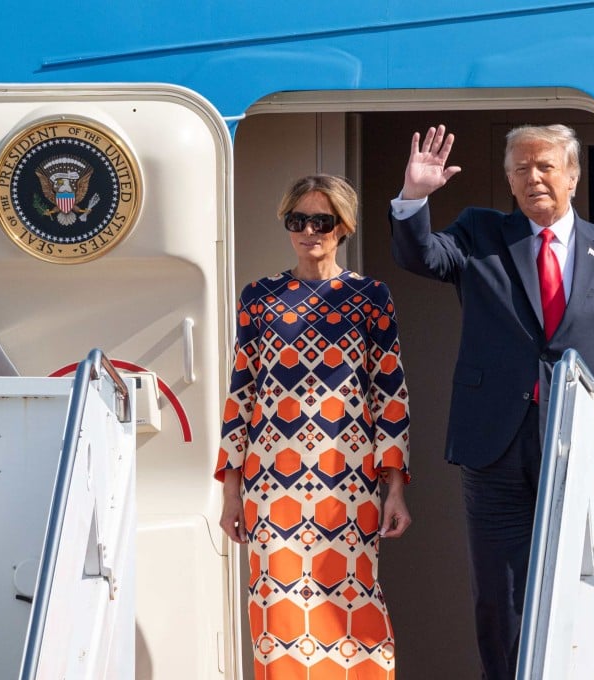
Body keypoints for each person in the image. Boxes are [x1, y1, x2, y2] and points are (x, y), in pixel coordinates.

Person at [389, 124, 594, 679]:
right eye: (520, 169)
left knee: (589, 578)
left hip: (585, 448)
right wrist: (414, 196)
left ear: (572, 175)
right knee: (500, 593)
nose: (533, 177)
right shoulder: (480, 233)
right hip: (494, 449)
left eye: (544, 165)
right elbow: (421, 257)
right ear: (509, 183)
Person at [216, 174, 413, 679]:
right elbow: (241, 393)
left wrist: (395, 489)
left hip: (348, 483)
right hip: (271, 485)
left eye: (321, 221)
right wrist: (231, 494)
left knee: (352, 605)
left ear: (342, 227)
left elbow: (389, 393)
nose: (309, 231)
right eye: (297, 220)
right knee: (278, 614)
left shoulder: (371, 296)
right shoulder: (259, 297)